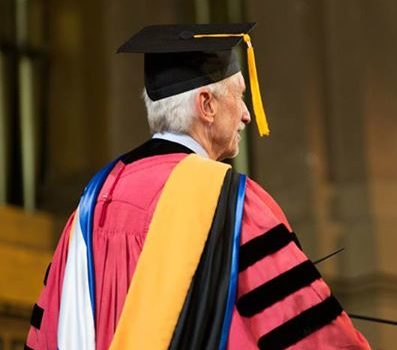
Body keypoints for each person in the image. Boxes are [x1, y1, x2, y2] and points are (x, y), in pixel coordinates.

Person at [25, 23, 370, 350]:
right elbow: (312, 336)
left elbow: (45, 333)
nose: (247, 115)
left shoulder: (91, 205)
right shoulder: (233, 201)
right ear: (206, 105)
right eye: (239, 97)